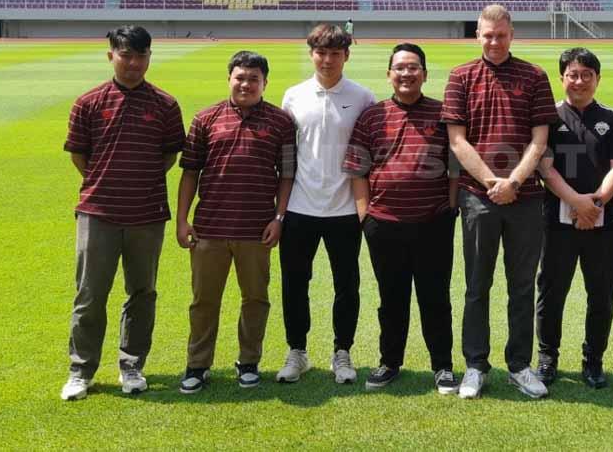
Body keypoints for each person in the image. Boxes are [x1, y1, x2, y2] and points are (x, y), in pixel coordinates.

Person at [60, 25, 185, 400]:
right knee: (90, 294)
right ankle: (81, 370)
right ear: (111, 55)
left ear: (149, 57)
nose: (133, 63)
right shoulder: (89, 102)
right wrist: (105, 180)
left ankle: (132, 365)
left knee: (142, 292)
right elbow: (79, 154)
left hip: (147, 214)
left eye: (141, 56)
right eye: (126, 55)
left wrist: (139, 180)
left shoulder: (165, 104)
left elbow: (169, 154)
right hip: (98, 213)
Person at [442, 4, 558, 399]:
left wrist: (513, 181)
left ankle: (520, 365)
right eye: (487, 35)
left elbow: (539, 139)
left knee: (522, 286)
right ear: (477, 35)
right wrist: (493, 181)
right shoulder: (461, 77)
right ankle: (475, 365)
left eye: (501, 35)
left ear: (512, 34)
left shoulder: (535, 76)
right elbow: (457, 140)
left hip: (525, 199)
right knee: (477, 284)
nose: (494, 42)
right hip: (478, 198)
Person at [174, 51, 295, 394]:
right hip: (209, 228)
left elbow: (286, 174)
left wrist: (279, 217)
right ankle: (198, 365)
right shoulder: (205, 118)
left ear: (265, 83)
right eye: (240, 77)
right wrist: (182, 220)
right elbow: (190, 173)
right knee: (204, 301)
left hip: (256, 229)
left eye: (253, 79)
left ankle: (249, 362)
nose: (246, 84)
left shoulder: (281, 122)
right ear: (229, 79)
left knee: (255, 298)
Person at [343, 43, 460, 394]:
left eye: (413, 67)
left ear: (424, 73)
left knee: (435, 297)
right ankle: (389, 362)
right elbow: (357, 170)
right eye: (400, 68)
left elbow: (455, 168)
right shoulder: (371, 116)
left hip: (434, 223)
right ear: (389, 74)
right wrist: (366, 217)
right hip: (384, 224)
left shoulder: (443, 115)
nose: (407, 74)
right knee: (391, 298)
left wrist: (450, 208)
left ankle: (442, 366)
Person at [277, 23, 376, 384]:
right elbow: (286, 156)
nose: (327, 59)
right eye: (321, 52)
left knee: (346, 284)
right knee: (294, 282)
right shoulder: (293, 96)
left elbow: (368, 156)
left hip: (345, 209)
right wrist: (280, 209)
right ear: (311, 54)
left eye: (335, 53)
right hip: (301, 207)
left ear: (346, 56)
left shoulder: (363, 97)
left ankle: (342, 352)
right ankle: (297, 351)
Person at [535, 48, 613, 389]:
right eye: (573, 74)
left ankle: (594, 360)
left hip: (602, 221)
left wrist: (596, 204)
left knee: (601, 293)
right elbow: (545, 167)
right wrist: (575, 202)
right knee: (552, 291)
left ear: (597, 79)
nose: (579, 81)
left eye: (587, 74)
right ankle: (547, 357)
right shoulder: (548, 118)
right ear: (562, 78)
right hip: (557, 221)